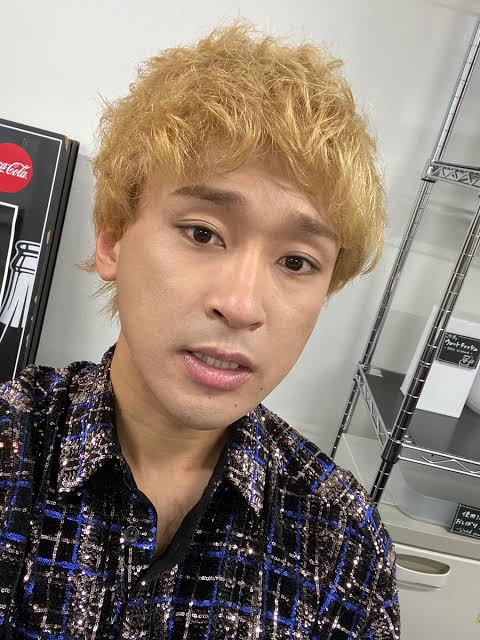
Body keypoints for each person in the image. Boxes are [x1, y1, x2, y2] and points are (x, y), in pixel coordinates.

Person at [0, 20, 400, 639]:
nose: (241, 305)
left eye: (297, 262)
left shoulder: (343, 543)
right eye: (202, 232)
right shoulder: (13, 452)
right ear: (112, 238)